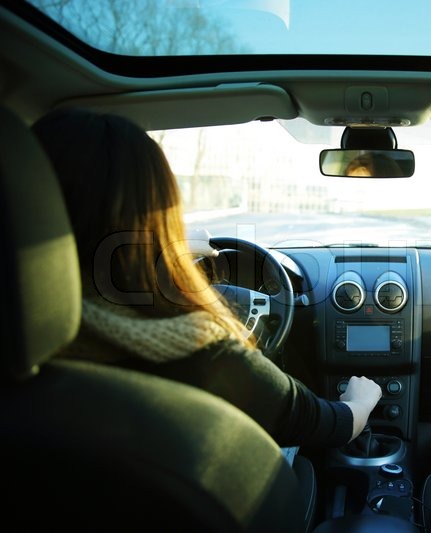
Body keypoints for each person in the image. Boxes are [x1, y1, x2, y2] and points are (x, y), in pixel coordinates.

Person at [33, 108, 382, 449]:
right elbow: (329, 425)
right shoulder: (199, 354)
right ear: (160, 214)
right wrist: (361, 401)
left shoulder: (26, 346)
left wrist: (170, 251)